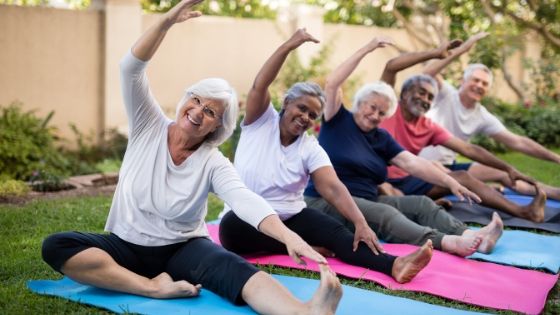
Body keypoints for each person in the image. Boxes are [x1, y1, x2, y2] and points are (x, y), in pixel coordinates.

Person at [40, 2, 344, 314]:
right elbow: (130, 68)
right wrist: (167, 21)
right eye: (196, 100)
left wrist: (287, 236)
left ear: (219, 125)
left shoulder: (213, 161)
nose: (198, 112)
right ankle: (150, 286)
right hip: (126, 245)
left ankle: (305, 312)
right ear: (186, 99)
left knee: (234, 268)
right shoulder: (149, 124)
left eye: (210, 111)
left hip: (184, 249)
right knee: (56, 246)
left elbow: (244, 200)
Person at [219, 29, 433, 283]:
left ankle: (394, 265)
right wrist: (289, 45)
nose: (306, 118)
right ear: (286, 103)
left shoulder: (310, 147)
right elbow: (260, 84)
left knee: (338, 232)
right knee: (229, 229)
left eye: (312, 115)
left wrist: (360, 222)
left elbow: (332, 188)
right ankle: (298, 245)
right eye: (302, 108)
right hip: (247, 220)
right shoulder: (259, 122)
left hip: (290, 216)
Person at [303, 36, 503, 256]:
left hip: (368, 199)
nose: (375, 115)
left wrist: (450, 181)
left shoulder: (381, 137)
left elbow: (412, 162)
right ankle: (448, 242)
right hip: (326, 202)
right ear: (360, 102)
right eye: (372, 107)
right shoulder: (337, 120)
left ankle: (471, 237)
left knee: (421, 204)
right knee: (386, 214)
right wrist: (367, 48)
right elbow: (333, 83)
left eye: (382, 113)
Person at [376, 43, 547, 222]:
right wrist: (433, 53)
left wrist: (507, 168)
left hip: (408, 180)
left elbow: (469, 150)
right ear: (403, 94)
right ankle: (417, 205)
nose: (425, 99)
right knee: (386, 190)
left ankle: (523, 211)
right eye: (421, 93)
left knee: (461, 177)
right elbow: (391, 67)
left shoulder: (427, 125)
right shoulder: (387, 106)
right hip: (376, 177)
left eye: (430, 97)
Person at [419, 32, 560, 201]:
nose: (479, 85)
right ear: (462, 82)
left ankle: (554, 193)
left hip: (451, 167)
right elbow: (425, 75)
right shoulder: (445, 94)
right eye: (475, 80)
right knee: (460, 179)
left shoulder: (481, 115)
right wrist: (462, 50)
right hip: (423, 166)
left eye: (484, 84)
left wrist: (556, 158)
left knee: (502, 172)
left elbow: (518, 142)